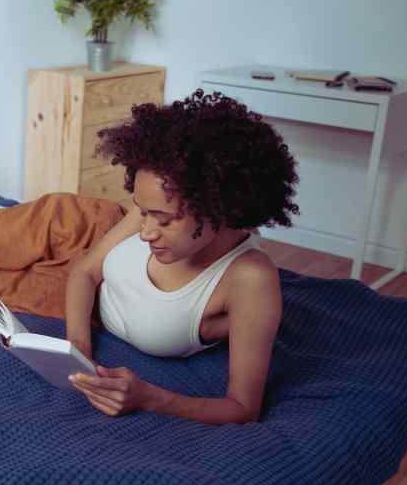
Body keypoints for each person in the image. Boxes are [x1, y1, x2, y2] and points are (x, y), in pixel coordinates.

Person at [64, 89, 300, 425]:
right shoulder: (152, 207)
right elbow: (84, 272)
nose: (145, 232)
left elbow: (243, 408)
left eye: (164, 220)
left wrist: (150, 398)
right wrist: (77, 349)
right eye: (142, 213)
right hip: (81, 230)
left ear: (217, 208)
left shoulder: (249, 279)